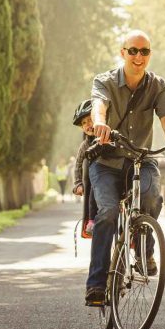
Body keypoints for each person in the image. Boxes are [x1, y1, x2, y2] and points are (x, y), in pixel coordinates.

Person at [83, 31, 165, 306]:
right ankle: (96, 284)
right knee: (107, 211)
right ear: (122, 53)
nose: (139, 57)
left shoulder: (157, 85)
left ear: (149, 55)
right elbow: (99, 106)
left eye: (144, 51)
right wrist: (100, 124)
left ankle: (144, 252)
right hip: (105, 162)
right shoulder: (104, 81)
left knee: (152, 196)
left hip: (140, 159)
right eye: (133, 51)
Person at [71, 98, 97, 238]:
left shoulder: (108, 137)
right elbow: (78, 165)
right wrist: (78, 183)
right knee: (92, 189)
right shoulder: (84, 146)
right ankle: (91, 221)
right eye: (84, 123)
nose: (88, 125)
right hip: (93, 182)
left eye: (90, 120)